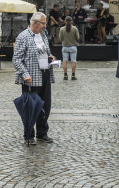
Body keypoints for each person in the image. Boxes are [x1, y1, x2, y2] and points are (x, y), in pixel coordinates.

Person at [13, 12, 56, 145]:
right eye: (43, 23)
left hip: (45, 74)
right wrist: (25, 74)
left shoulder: (43, 35)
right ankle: (29, 135)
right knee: (30, 107)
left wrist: (51, 57)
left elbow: (46, 52)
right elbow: (17, 60)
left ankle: (42, 133)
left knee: (45, 106)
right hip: (30, 78)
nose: (45, 25)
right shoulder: (23, 36)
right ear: (35, 23)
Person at [58, 16, 81, 80]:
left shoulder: (62, 29)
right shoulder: (74, 28)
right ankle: (73, 75)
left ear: (65, 21)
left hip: (65, 47)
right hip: (73, 47)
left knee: (65, 62)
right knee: (73, 61)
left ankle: (65, 75)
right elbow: (78, 37)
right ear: (71, 21)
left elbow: (60, 39)